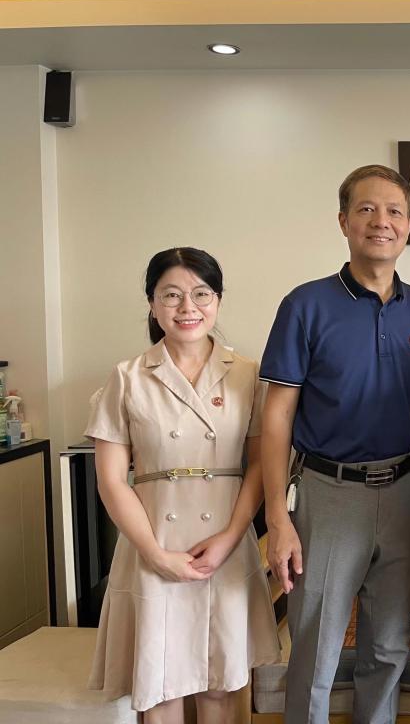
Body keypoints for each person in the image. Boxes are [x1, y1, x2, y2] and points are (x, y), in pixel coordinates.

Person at [260, 165, 410, 724]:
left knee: (389, 648)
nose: (380, 221)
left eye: (394, 211)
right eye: (366, 209)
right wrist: (277, 517)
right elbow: (276, 417)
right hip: (328, 492)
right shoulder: (305, 305)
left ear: (409, 225)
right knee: (315, 649)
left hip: (407, 490)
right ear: (343, 221)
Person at [86, 247, 279, 722]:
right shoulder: (127, 377)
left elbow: (261, 465)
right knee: (162, 690)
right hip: (153, 543)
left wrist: (230, 537)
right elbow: (111, 480)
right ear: (152, 304)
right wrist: (155, 554)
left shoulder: (248, 374)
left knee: (220, 687)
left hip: (225, 543)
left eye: (201, 294)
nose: (187, 307)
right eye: (171, 295)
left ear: (218, 300)